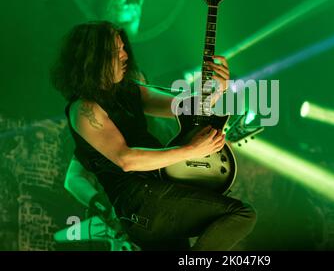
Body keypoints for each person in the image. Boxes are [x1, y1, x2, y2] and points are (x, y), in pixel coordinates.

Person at [51, 21, 256, 250]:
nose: (125, 55)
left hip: (158, 194)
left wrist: (217, 88)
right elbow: (127, 160)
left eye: (123, 47)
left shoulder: (130, 90)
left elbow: (186, 108)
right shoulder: (84, 109)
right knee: (240, 214)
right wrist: (191, 150)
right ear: (93, 57)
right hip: (140, 202)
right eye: (115, 50)